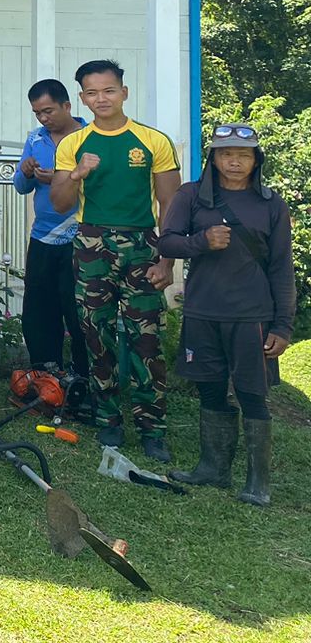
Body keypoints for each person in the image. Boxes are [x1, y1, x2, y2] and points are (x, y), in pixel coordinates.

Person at [157, 124, 295, 506]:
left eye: (243, 155)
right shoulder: (191, 196)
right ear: (214, 159)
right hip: (202, 311)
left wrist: (283, 326)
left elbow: (282, 269)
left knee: (253, 394)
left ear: (256, 160)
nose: (235, 161)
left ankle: (257, 483)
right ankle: (213, 469)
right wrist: (201, 241)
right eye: (226, 153)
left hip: (252, 316)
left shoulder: (271, 204)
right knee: (209, 388)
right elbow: (167, 241)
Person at [50, 59, 179, 460]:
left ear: (124, 92)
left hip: (142, 244)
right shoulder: (73, 144)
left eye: (108, 90)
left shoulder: (152, 140)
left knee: (146, 339)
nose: (101, 99)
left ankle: (151, 427)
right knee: (96, 335)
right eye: (92, 92)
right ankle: (108, 418)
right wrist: (77, 174)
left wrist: (167, 260)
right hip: (92, 245)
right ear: (82, 98)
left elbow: (171, 205)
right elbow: (59, 203)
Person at [11, 79, 89, 379]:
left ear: (67, 106)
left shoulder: (90, 136)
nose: (43, 118)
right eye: (37, 113)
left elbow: (98, 184)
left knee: (79, 310)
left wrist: (58, 179)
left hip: (81, 237)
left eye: (48, 111)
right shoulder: (35, 139)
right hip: (42, 236)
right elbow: (21, 187)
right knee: (40, 310)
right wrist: (26, 172)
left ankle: (85, 378)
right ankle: (46, 377)